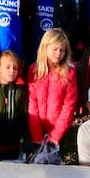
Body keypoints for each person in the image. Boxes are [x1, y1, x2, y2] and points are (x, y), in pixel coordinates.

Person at [27, 28, 77, 161]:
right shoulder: (34, 70)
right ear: (45, 48)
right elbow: (32, 104)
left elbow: (69, 106)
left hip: (58, 131)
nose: (58, 53)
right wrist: (36, 135)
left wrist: (56, 134)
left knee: (54, 162)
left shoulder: (69, 73)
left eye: (62, 50)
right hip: (37, 128)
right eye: (54, 49)